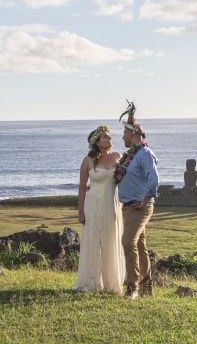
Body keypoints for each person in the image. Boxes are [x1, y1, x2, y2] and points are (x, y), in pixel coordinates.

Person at [73, 125, 125, 294]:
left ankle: (111, 283)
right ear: (97, 141)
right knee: (93, 241)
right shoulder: (88, 160)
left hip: (112, 204)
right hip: (92, 205)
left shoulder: (118, 157)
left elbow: (128, 177)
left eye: (110, 137)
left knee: (111, 240)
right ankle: (92, 281)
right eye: (105, 137)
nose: (110, 139)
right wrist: (80, 211)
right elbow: (82, 188)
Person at [115, 101, 159, 300]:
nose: (122, 137)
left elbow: (154, 178)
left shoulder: (145, 154)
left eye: (124, 133)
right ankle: (146, 286)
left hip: (139, 207)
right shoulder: (129, 156)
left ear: (133, 135)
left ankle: (132, 288)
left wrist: (145, 200)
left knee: (128, 242)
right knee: (140, 246)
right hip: (128, 207)